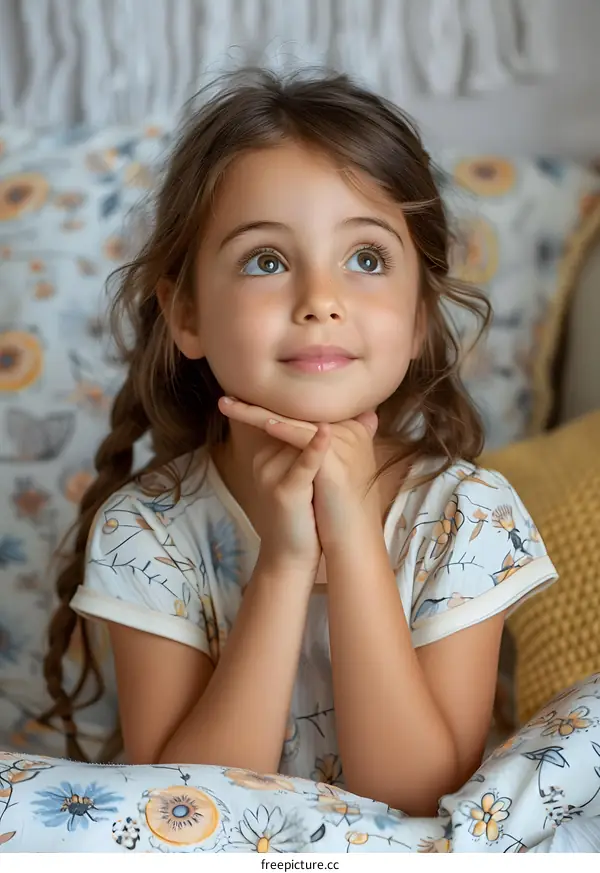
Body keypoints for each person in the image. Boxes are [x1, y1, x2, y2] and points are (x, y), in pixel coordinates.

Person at [43, 68, 557, 818]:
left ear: (419, 314)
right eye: (267, 261)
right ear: (186, 313)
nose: (320, 299)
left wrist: (350, 540)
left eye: (367, 259)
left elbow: (416, 797)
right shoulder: (146, 530)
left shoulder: (466, 516)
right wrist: (285, 563)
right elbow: (180, 810)